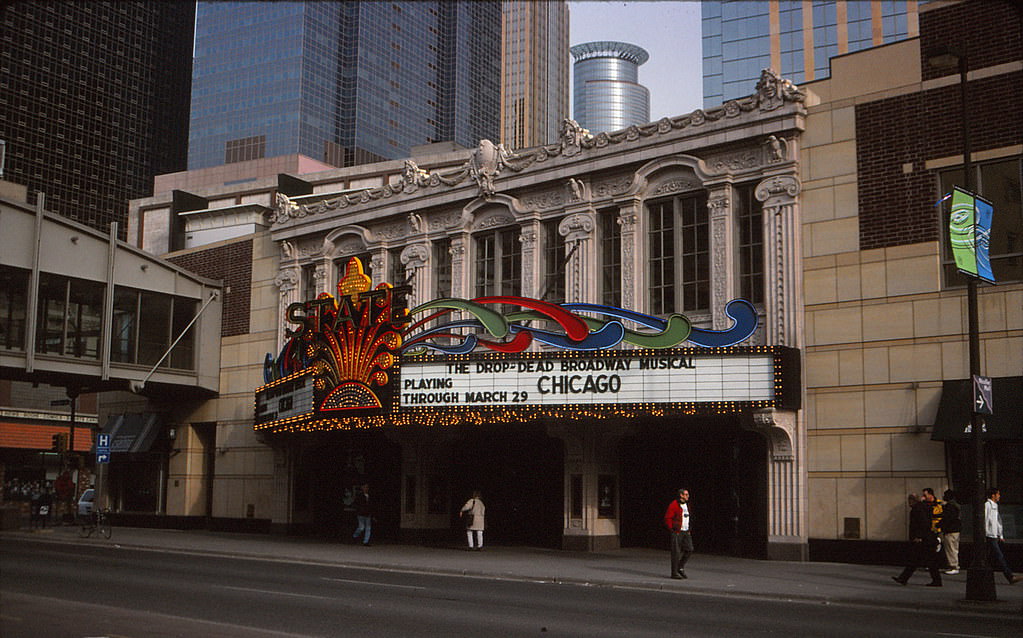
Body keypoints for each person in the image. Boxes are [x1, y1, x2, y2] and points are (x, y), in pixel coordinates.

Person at [892, 488, 942, 587]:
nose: (908, 503)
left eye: (909, 501)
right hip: (928, 539)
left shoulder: (917, 509)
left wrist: (918, 536)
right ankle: (904, 578)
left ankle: (904, 578)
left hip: (923, 540)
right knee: (924, 560)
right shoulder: (923, 507)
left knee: (917, 560)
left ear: (912, 501)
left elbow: (922, 524)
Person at [984, 488, 1022, 584]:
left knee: (988, 557)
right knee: (999, 556)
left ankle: (984, 576)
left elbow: (998, 521)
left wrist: (1000, 534)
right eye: (998, 494)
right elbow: (985, 520)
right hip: (990, 535)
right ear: (993, 495)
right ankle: (1010, 576)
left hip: (994, 535)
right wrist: (986, 533)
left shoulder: (995, 506)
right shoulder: (987, 505)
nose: (999, 496)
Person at [663, 488, 692, 579]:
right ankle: (674, 573)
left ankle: (680, 567)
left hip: (686, 531)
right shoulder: (674, 505)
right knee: (676, 552)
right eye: (686, 494)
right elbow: (668, 518)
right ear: (681, 495)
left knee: (689, 549)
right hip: (677, 532)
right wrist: (672, 529)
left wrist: (689, 529)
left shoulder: (687, 505)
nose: (688, 496)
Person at [941, 489, 961, 575]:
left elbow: (947, 518)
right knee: (954, 548)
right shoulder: (956, 506)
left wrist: (940, 525)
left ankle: (953, 566)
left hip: (950, 530)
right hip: (956, 530)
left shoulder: (950, 506)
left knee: (951, 548)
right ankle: (954, 565)